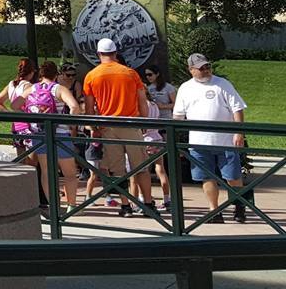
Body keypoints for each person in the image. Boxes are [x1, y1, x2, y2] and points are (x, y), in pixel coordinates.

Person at [81, 37, 153, 216]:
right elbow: (142, 101)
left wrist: (94, 128)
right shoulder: (130, 73)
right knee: (141, 167)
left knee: (117, 170)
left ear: (99, 54)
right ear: (115, 53)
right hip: (131, 124)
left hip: (108, 127)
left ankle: (125, 206)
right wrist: (144, 121)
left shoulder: (91, 76)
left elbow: (89, 108)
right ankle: (148, 204)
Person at [174, 53, 249, 223]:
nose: (206, 70)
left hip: (225, 141)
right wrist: (174, 138)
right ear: (191, 70)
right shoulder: (185, 88)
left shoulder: (222, 84)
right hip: (199, 142)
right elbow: (178, 116)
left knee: (233, 177)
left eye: (207, 66)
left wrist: (239, 132)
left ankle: (239, 207)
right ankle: (214, 211)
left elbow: (237, 108)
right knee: (206, 177)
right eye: (201, 68)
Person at [24, 61, 81, 210]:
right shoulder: (60, 89)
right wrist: (71, 124)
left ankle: (54, 206)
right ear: (56, 74)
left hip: (39, 134)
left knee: (46, 172)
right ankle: (71, 205)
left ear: (41, 74)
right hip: (60, 134)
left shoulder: (32, 88)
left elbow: (15, 104)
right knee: (69, 173)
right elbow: (74, 107)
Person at [142, 64, 177, 206]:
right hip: (156, 130)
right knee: (157, 167)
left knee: (143, 169)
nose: (148, 77)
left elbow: (176, 104)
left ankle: (144, 199)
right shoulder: (150, 91)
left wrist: (163, 106)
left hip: (162, 125)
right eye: (146, 75)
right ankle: (163, 198)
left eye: (150, 74)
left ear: (157, 74)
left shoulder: (168, 88)